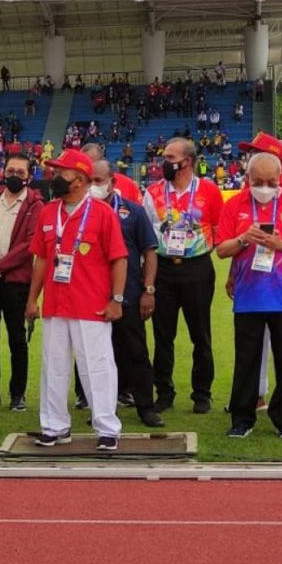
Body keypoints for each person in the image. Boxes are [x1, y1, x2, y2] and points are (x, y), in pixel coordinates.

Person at [25, 149, 128, 451]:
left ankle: (107, 427)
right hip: (56, 303)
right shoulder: (48, 212)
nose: (54, 178)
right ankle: (54, 425)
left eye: (61, 173)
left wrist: (117, 299)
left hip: (91, 304)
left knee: (97, 366)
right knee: (53, 366)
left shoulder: (102, 213)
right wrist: (33, 299)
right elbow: (41, 261)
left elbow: (119, 259)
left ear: (80, 180)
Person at [216, 152, 282, 439]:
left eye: (272, 182)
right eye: (259, 181)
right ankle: (242, 419)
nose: (266, 187)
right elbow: (221, 248)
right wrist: (244, 238)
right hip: (248, 296)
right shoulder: (235, 204)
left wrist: (278, 243)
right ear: (247, 179)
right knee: (246, 360)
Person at [141, 137, 224, 414]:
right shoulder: (152, 192)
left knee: (200, 334)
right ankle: (163, 391)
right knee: (163, 335)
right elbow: (145, 235)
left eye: (169, 158)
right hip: (163, 269)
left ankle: (202, 393)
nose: (163, 162)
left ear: (186, 161)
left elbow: (218, 227)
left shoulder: (210, 191)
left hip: (197, 268)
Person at [88, 159, 163, 428]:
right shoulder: (83, 213)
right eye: (90, 181)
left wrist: (149, 290)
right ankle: (103, 410)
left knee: (136, 353)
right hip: (93, 298)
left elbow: (149, 252)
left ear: (113, 181)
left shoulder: (133, 212)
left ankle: (146, 407)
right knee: (98, 357)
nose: (94, 186)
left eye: (98, 181)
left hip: (129, 296)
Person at [0, 153, 42, 412]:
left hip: (14, 280)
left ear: (29, 177)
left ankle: (17, 393)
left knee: (16, 339)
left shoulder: (35, 204)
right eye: (10, 170)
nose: (14, 175)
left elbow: (29, 245)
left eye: (20, 172)